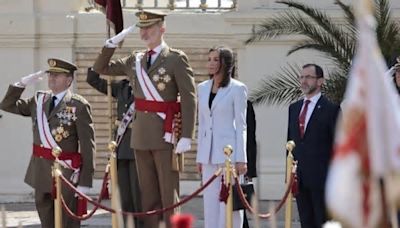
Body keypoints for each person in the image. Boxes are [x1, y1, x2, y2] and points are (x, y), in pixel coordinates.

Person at [93, 10, 197, 228]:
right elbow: (100, 68)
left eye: (149, 27)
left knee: (168, 194)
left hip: (165, 134)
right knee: (147, 196)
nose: (145, 32)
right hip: (140, 136)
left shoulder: (176, 59)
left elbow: (189, 97)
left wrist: (187, 135)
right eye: (141, 28)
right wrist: (112, 43)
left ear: (162, 28)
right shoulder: (135, 60)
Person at [0, 58, 96, 228]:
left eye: (57, 75)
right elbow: (7, 105)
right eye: (50, 75)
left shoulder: (78, 105)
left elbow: (88, 146)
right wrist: (21, 84)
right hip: (41, 170)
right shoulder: (39, 101)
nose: (51, 78)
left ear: (68, 80)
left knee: (67, 220)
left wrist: (85, 182)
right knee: (46, 219)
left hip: (66, 171)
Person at [196, 46, 248, 228]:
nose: (210, 63)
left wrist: (241, 159)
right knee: (210, 203)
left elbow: (242, 125)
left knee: (229, 203)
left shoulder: (237, 89)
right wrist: (200, 156)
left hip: (229, 155)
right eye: (209, 59)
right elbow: (202, 124)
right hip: (208, 154)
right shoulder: (201, 88)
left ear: (225, 63)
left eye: (215, 59)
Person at [86, 68, 142, 227]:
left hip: (139, 146)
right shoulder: (121, 87)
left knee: (139, 195)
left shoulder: (148, 88)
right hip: (121, 145)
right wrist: (102, 60)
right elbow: (93, 80)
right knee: (124, 195)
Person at [287, 64, 340, 228]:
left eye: (308, 77)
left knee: (323, 222)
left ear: (320, 81)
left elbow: (337, 145)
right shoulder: (294, 108)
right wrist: (289, 174)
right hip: (300, 179)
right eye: (301, 77)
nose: (304, 81)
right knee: (306, 222)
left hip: (323, 180)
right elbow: (290, 143)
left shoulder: (331, 109)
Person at [243, 100, 257, 228]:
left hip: (239, 165)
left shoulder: (245, 104)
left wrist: (250, 170)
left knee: (238, 206)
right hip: (216, 164)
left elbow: (250, 140)